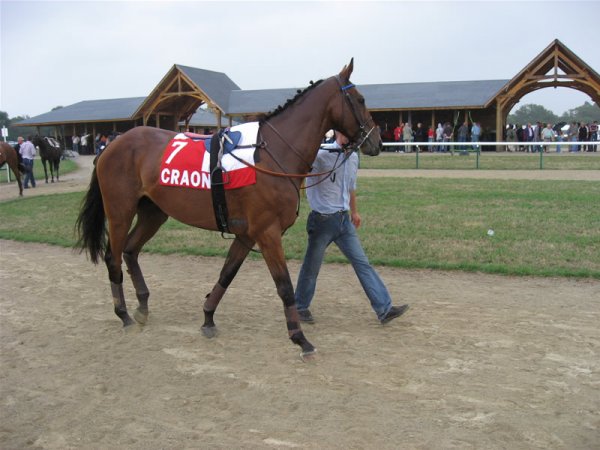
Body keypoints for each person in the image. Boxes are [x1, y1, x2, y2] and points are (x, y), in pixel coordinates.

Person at [295, 130, 409, 325]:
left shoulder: (354, 157)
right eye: (347, 134)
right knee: (311, 267)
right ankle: (299, 307)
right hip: (322, 221)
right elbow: (299, 167)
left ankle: (384, 309)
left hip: (343, 221)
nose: (351, 138)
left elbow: (350, 187)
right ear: (338, 133)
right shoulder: (322, 154)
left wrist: (354, 212)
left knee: (362, 263)